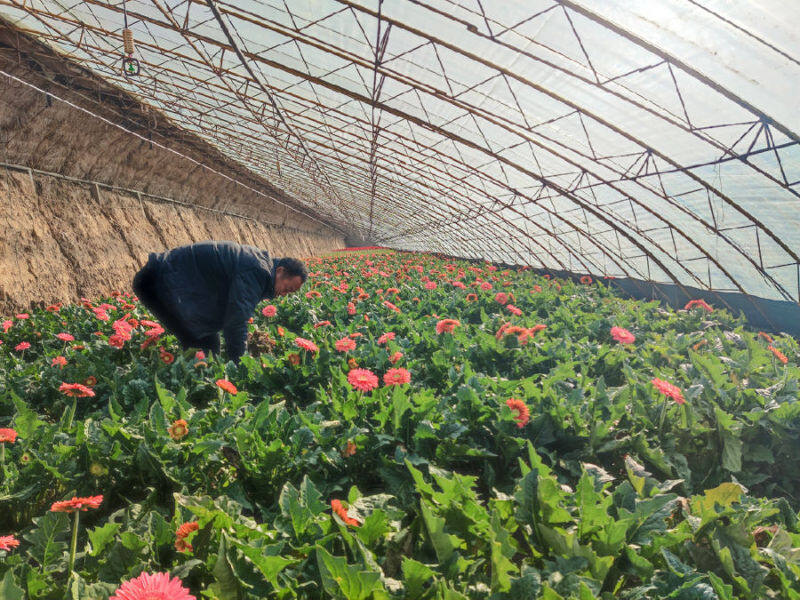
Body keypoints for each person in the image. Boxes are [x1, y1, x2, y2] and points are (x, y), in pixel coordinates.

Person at [132, 240, 307, 362]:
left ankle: (189, 380)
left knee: (208, 345)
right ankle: (177, 389)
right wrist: (240, 366)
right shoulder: (258, 271)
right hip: (156, 282)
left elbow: (231, 310)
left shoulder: (261, 267)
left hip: (168, 281)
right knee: (202, 348)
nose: (285, 294)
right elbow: (236, 320)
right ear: (280, 271)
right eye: (288, 288)